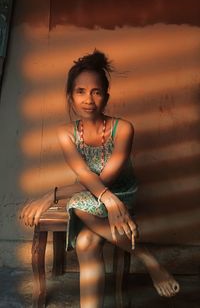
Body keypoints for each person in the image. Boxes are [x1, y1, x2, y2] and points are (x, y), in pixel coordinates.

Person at [20, 49, 180, 308]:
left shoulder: (123, 128)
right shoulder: (66, 133)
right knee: (85, 242)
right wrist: (107, 202)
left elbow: (107, 178)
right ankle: (149, 259)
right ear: (70, 97)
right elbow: (85, 175)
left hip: (120, 191)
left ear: (106, 96)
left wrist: (56, 194)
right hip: (90, 193)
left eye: (96, 91)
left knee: (79, 206)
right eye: (80, 91)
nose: (88, 99)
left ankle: (148, 260)